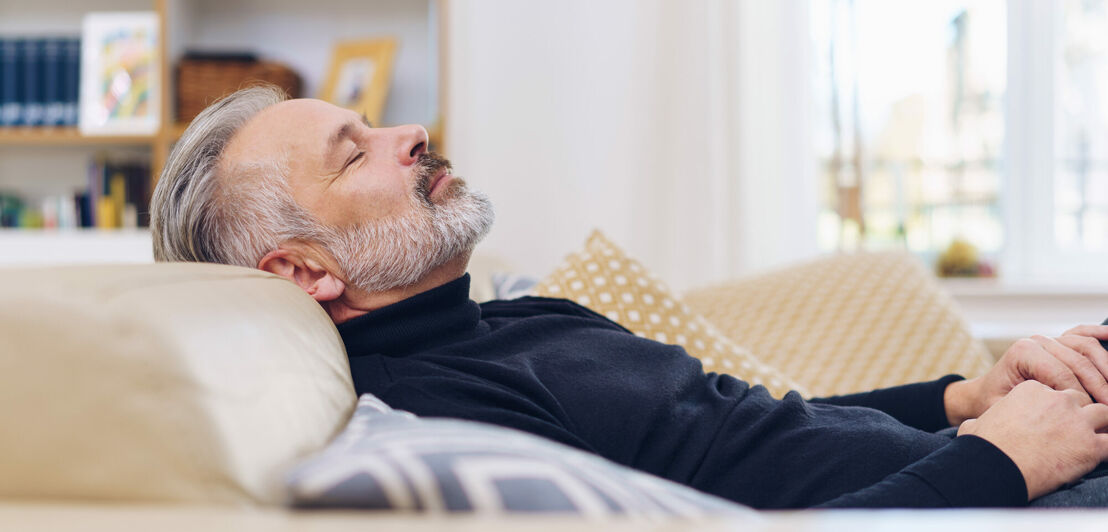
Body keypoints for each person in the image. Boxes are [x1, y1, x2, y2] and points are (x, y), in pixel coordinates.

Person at [150, 85, 1108, 509]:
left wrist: (963, 401)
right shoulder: (435, 405)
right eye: (355, 152)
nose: (410, 130)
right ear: (305, 271)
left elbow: (761, 434)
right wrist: (998, 466)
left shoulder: (508, 322)